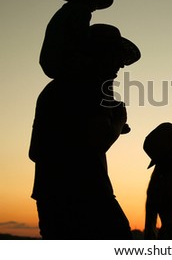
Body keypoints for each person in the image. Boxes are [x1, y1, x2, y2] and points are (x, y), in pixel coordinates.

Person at [29, 24, 140, 239]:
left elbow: (35, 152)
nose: (121, 65)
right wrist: (119, 118)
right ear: (100, 54)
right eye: (116, 56)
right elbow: (99, 140)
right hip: (88, 196)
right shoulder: (92, 87)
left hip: (50, 197)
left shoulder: (53, 90)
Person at [39, 0, 113, 79]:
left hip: (53, 64)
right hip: (64, 63)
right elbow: (81, 41)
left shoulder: (67, 11)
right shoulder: (80, 11)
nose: (96, 5)